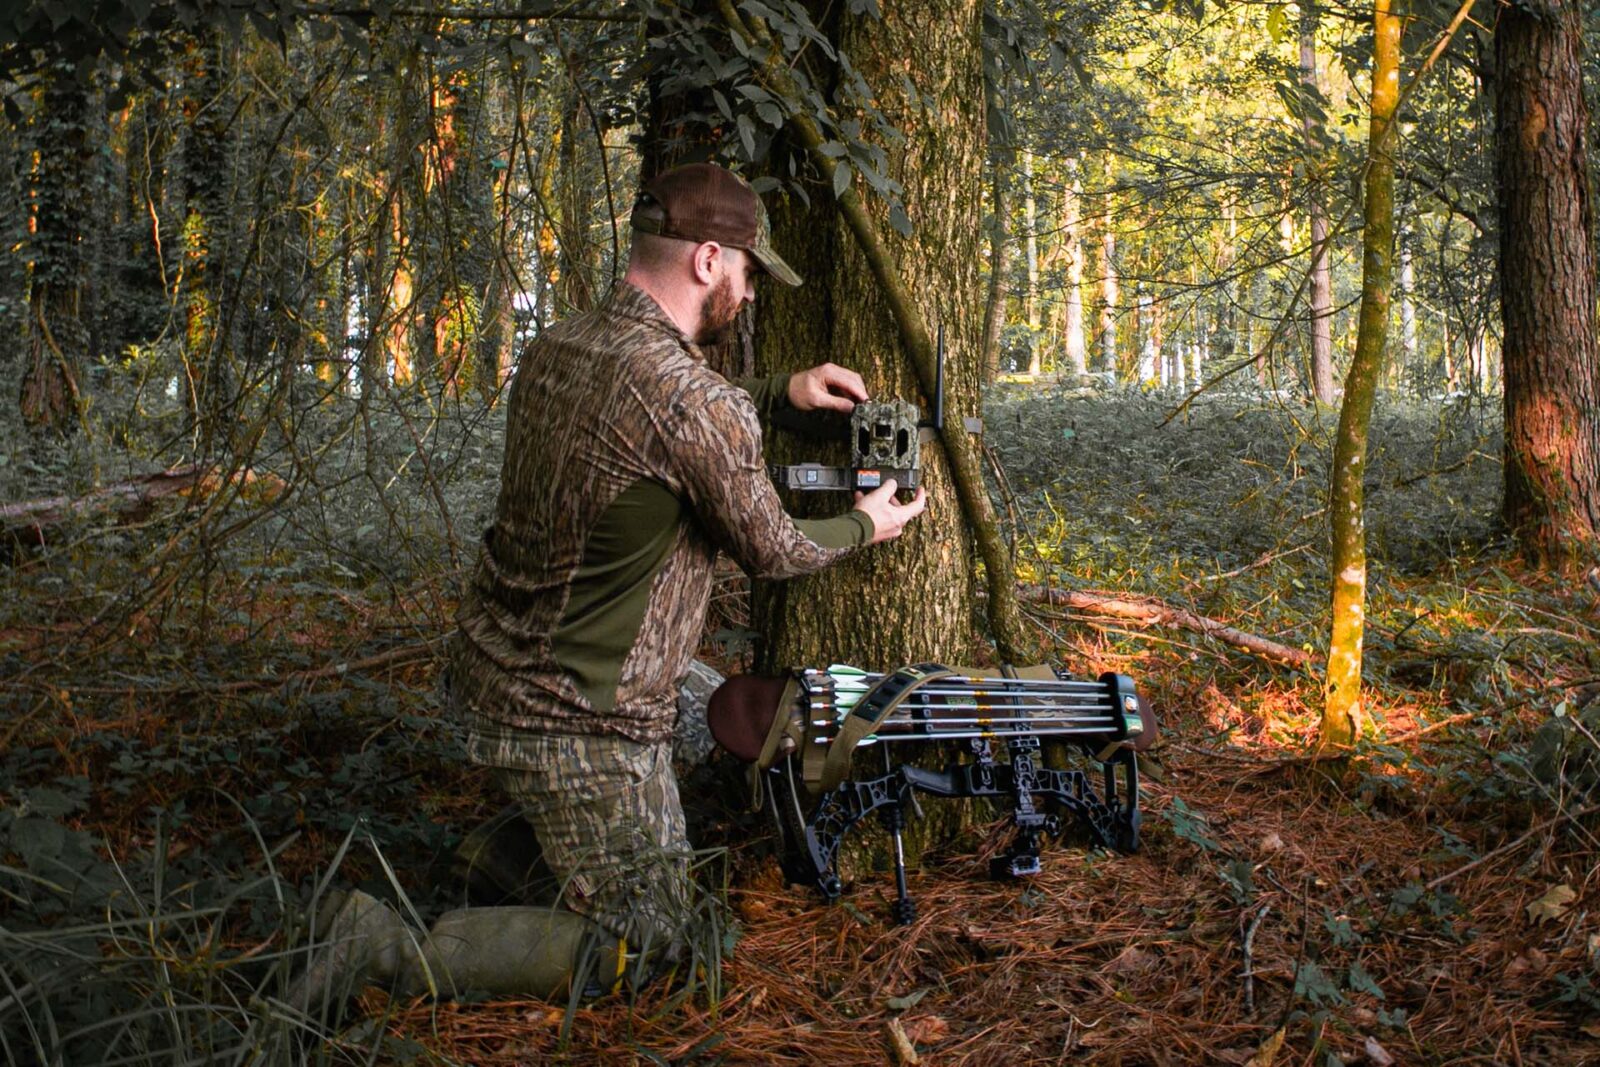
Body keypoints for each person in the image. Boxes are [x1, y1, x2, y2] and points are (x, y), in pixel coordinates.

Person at [290, 162, 926, 1010]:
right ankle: (385, 946)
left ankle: (512, 851)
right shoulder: (694, 402)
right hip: (581, 715)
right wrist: (866, 523)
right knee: (655, 946)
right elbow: (772, 546)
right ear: (707, 260)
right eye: (745, 271)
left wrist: (778, 393)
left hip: (497, 667)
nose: (749, 291)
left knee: (726, 713)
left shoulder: (562, 347)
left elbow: (650, 420)